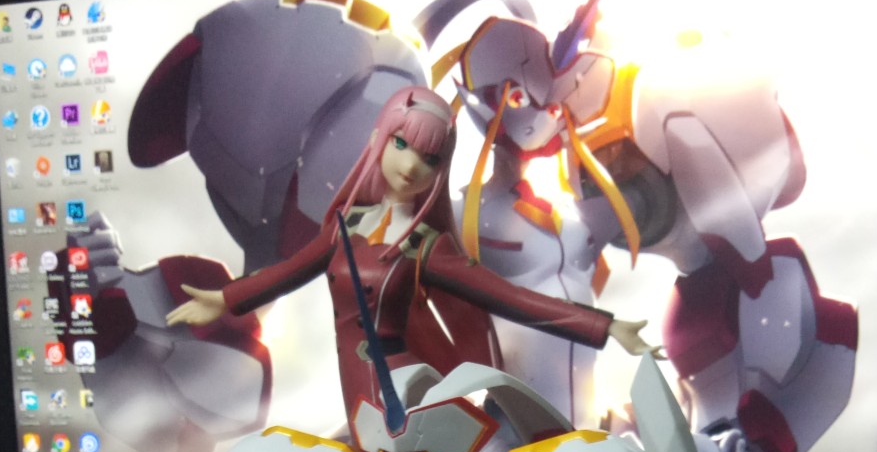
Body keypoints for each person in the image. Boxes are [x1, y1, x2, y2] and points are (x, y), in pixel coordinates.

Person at [165, 85, 649, 419]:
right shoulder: (346, 226)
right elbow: (289, 272)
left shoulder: (425, 247)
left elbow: (510, 299)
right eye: (403, 144)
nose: (412, 166)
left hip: (403, 388)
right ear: (380, 140)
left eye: (430, 158)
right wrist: (225, 299)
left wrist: (603, 326)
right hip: (354, 381)